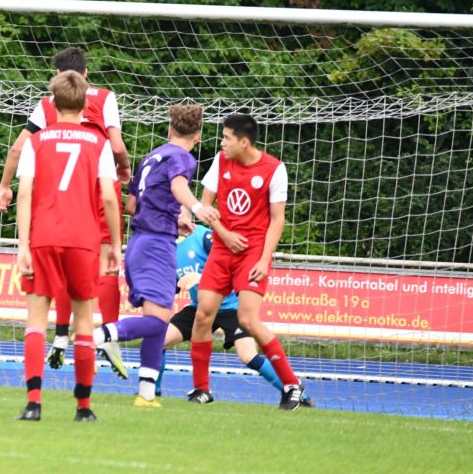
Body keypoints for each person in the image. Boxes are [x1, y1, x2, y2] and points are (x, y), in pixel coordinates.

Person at [0, 47, 131, 370]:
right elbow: (115, 145)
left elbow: (17, 149)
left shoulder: (49, 103)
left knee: (61, 260)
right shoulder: (106, 97)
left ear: (57, 77)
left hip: (61, 193)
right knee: (105, 264)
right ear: (86, 74)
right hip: (99, 183)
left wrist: (4, 186)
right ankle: (108, 336)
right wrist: (124, 167)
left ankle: (59, 337)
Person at [93, 104, 219, 407]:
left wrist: (173, 219)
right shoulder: (182, 158)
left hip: (139, 242)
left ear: (169, 129)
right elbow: (178, 185)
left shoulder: (151, 157)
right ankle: (99, 336)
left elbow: (132, 206)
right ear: (198, 136)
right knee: (159, 324)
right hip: (157, 246)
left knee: (156, 321)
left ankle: (146, 394)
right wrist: (196, 208)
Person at [14, 70, 122, 422]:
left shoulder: (36, 141)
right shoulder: (98, 143)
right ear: (86, 103)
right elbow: (109, 197)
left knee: (36, 321)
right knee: (84, 322)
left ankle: (33, 404)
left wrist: (23, 245)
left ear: (52, 103)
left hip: (44, 237)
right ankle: (83, 408)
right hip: (83, 239)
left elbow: (25, 194)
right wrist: (114, 243)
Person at [182, 114, 306, 410]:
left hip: (252, 254)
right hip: (222, 250)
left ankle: (291, 383)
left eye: (227, 138)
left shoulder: (274, 169)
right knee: (203, 315)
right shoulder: (220, 162)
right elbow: (206, 205)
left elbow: (277, 219)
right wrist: (225, 234)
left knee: (248, 320)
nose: (222, 143)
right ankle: (201, 389)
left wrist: (264, 259)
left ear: (244, 142)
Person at [155, 224, 313, 407]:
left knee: (248, 356)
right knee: (157, 342)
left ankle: (297, 394)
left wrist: (201, 279)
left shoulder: (204, 237)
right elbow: (173, 285)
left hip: (231, 307)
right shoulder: (168, 247)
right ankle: (153, 392)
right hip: (200, 308)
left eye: (178, 211)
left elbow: (228, 265)